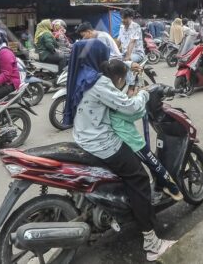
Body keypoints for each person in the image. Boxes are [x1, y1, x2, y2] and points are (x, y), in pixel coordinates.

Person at [69, 41, 176, 261]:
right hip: (102, 142)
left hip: (82, 137)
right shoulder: (99, 83)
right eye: (103, 56)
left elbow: (111, 68)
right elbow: (132, 107)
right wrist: (146, 93)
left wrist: (129, 64)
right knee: (139, 178)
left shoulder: (81, 74)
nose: (105, 60)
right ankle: (151, 243)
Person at [102, 59, 183, 201]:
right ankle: (172, 188)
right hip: (130, 140)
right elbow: (137, 111)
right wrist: (143, 95)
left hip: (112, 139)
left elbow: (127, 95)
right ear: (120, 78)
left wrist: (133, 85)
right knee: (154, 162)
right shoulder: (118, 98)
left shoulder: (107, 90)